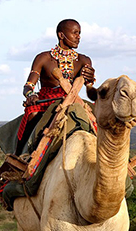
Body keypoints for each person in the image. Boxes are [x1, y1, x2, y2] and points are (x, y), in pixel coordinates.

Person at [16, 19, 95, 153]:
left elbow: (91, 93)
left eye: (79, 33)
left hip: (73, 101)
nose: (79, 37)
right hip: (46, 101)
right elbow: (28, 86)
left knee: (98, 117)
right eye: (75, 33)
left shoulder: (84, 60)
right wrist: (30, 95)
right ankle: (21, 155)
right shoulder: (43, 58)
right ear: (61, 35)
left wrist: (91, 80)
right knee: (32, 114)